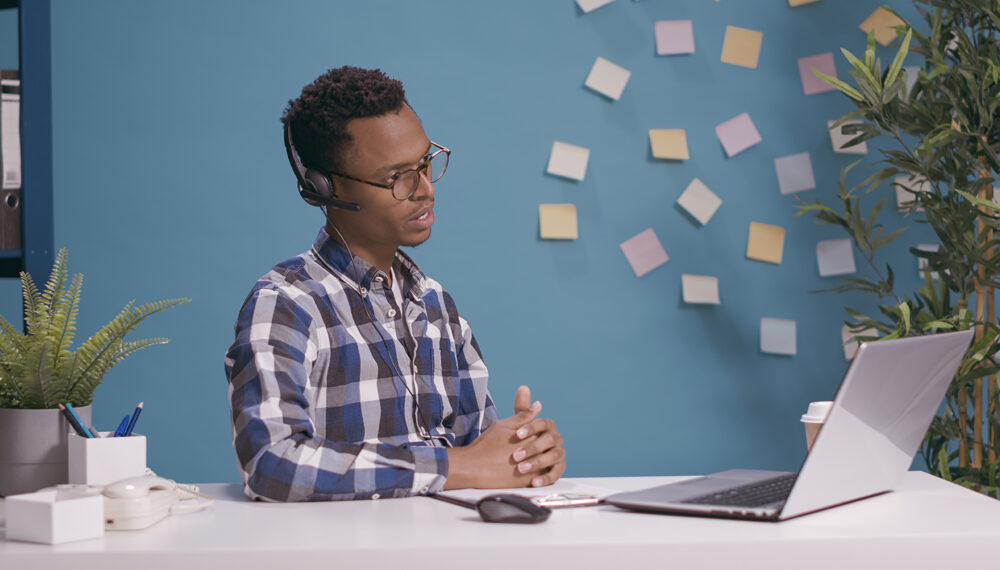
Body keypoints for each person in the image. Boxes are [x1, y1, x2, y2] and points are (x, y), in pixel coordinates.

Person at [224, 66, 566, 502]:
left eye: (426, 163)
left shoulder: (438, 306)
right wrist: (455, 465)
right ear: (324, 188)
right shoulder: (287, 304)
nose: (425, 189)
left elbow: (482, 457)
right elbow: (271, 463)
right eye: (396, 178)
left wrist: (525, 454)